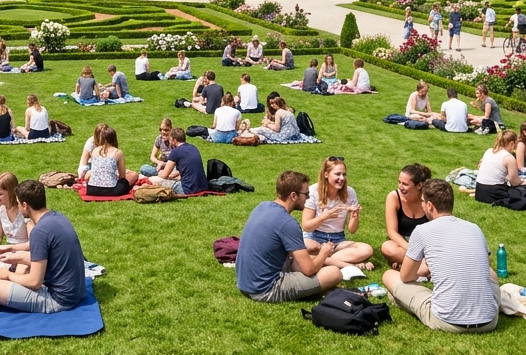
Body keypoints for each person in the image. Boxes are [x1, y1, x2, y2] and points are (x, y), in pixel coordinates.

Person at [380, 179, 500, 333]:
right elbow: (485, 269)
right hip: (489, 320)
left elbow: (406, 277)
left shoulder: (422, 231)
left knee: (390, 276)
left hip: (447, 320)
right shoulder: (474, 228)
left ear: (429, 205)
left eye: (422, 201)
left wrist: (423, 269)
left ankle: (400, 299)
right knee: (489, 274)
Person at [235, 171, 346, 303]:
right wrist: (324, 252)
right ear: (293, 196)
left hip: (245, 283)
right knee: (334, 273)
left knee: (303, 258)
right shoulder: (288, 223)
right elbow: (309, 269)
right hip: (265, 289)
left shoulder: (262, 206)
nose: (308, 198)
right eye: (306, 194)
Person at [0, 179, 88, 313]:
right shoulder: (58, 218)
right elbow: (47, 259)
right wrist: (15, 255)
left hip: (59, 300)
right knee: (21, 267)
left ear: (25, 205)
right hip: (76, 291)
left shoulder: (39, 231)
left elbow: (34, 282)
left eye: (19, 204)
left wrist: (7, 275)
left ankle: (10, 302)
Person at [302, 157, 375, 269]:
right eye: (337, 174)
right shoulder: (313, 191)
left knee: (367, 249)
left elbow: (352, 230)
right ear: (326, 174)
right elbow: (306, 226)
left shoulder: (350, 193)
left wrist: (355, 217)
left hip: (338, 239)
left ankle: (322, 259)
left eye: (344, 175)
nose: (342, 178)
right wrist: (325, 216)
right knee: (303, 247)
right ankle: (349, 264)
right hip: (314, 237)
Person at [382, 163, 432, 273]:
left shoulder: (429, 200)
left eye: (405, 184)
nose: (400, 187)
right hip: (402, 244)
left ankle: (409, 266)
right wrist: (413, 250)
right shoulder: (394, 197)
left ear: (419, 186)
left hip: (425, 244)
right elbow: (392, 232)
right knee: (387, 247)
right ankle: (424, 266)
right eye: (399, 182)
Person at [150, 127, 208, 194]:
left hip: (188, 189)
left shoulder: (175, 152)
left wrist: (156, 176)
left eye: (170, 140)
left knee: (156, 181)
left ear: (174, 140)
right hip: (203, 187)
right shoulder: (193, 147)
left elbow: (164, 175)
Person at [84, 125, 138, 196]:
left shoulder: (94, 151)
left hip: (91, 189)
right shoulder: (118, 152)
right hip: (112, 190)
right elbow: (122, 177)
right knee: (131, 177)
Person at [474, 128, 521, 204]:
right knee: (523, 191)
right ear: (511, 144)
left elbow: (480, 166)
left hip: (479, 191)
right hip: (494, 192)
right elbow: (514, 182)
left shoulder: (488, 151)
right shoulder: (509, 157)